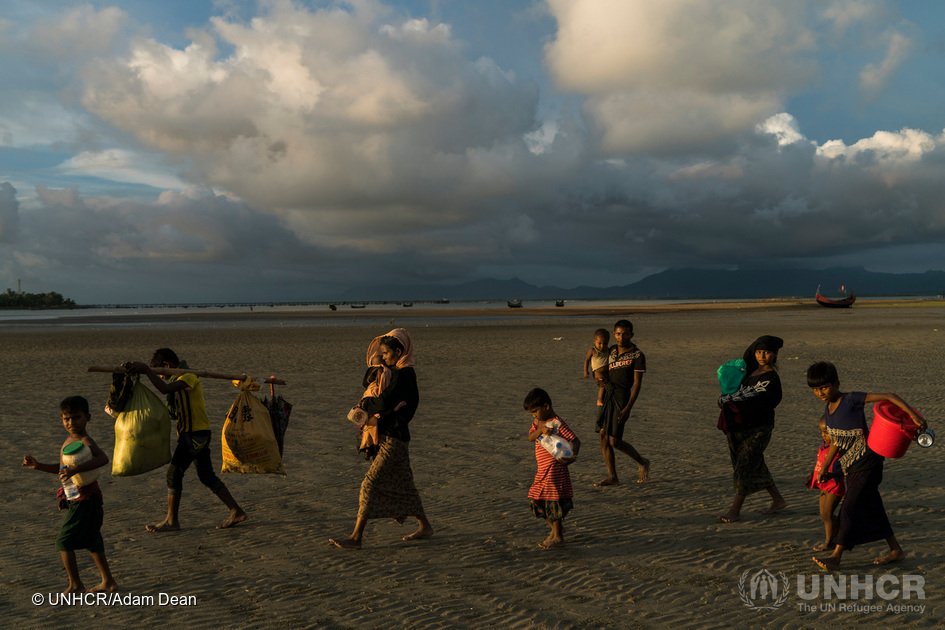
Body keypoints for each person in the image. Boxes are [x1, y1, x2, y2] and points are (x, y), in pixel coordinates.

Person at [806, 361, 925, 571]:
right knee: (873, 507)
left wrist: (913, 415)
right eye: (816, 389)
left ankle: (836, 555)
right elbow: (836, 441)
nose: (820, 393)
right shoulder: (828, 410)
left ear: (836, 383)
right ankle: (895, 549)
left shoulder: (851, 400)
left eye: (824, 387)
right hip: (850, 466)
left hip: (869, 461)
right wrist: (825, 467)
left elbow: (889, 396)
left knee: (849, 508)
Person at [330, 329, 433, 549]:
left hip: (394, 438)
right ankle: (425, 526)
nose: (383, 357)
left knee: (369, 484)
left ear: (398, 351)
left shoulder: (404, 375)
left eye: (386, 353)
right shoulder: (393, 372)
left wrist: (369, 406)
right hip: (392, 435)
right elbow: (375, 391)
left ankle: (356, 537)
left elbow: (383, 403)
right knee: (406, 485)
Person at [129, 348, 246, 531]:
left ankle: (171, 521)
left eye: (160, 372)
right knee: (206, 476)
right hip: (191, 434)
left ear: (167, 366)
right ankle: (236, 511)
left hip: (195, 435)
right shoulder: (178, 379)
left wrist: (146, 370)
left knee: (173, 474)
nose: (161, 377)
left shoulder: (188, 377)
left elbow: (164, 389)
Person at [22, 396, 118, 593]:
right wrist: (39, 466)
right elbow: (63, 470)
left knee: (63, 541)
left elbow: (103, 458)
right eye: (67, 419)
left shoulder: (85, 440)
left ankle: (75, 584)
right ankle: (108, 581)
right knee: (92, 539)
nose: (71, 423)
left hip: (88, 499)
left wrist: (76, 471)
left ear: (87, 417)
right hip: (76, 497)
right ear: (61, 419)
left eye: (76, 418)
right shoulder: (68, 441)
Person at [717, 335, 787, 523]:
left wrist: (737, 401)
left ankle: (735, 510)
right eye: (759, 352)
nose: (762, 355)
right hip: (738, 427)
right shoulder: (747, 373)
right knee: (754, 463)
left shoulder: (771, 378)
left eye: (767, 352)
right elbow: (732, 392)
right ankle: (778, 500)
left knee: (745, 465)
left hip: (760, 428)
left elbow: (769, 402)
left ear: (774, 355)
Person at [594, 319, 650, 486]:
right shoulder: (610, 350)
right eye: (618, 334)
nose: (621, 337)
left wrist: (628, 407)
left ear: (631, 334)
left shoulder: (637, 355)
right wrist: (599, 380)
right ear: (614, 334)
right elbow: (600, 370)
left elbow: (637, 384)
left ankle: (642, 461)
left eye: (625, 333)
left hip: (622, 397)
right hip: (607, 395)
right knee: (603, 436)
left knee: (614, 441)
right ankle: (613, 476)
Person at [525, 388, 580, 549]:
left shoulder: (557, 424)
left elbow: (576, 441)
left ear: (546, 406)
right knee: (536, 500)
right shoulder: (538, 423)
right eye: (531, 413)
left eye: (535, 411)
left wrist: (572, 457)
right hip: (542, 470)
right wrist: (540, 430)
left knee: (552, 501)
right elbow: (530, 437)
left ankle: (558, 536)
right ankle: (555, 531)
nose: (534, 415)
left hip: (555, 469)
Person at [808, 417, 844, 552]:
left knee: (827, 514)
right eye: (822, 432)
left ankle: (829, 542)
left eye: (827, 433)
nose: (824, 435)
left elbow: (842, 471)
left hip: (834, 485)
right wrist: (812, 476)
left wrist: (831, 475)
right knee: (824, 514)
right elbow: (819, 463)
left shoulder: (839, 450)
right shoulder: (823, 447)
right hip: (823, 485)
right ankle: (840, 531)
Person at [583, 328, 611, 408]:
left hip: (607, 372)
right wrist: (586, 371)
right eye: (599, 343)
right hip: (597, 372)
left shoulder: (608, 350)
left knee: (607, 385)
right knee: (602, 385)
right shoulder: (592, 350)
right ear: (594, 341)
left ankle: (605, 398)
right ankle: (599, 400)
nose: (602, 346)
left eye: (605, 344)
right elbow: (587, 360)